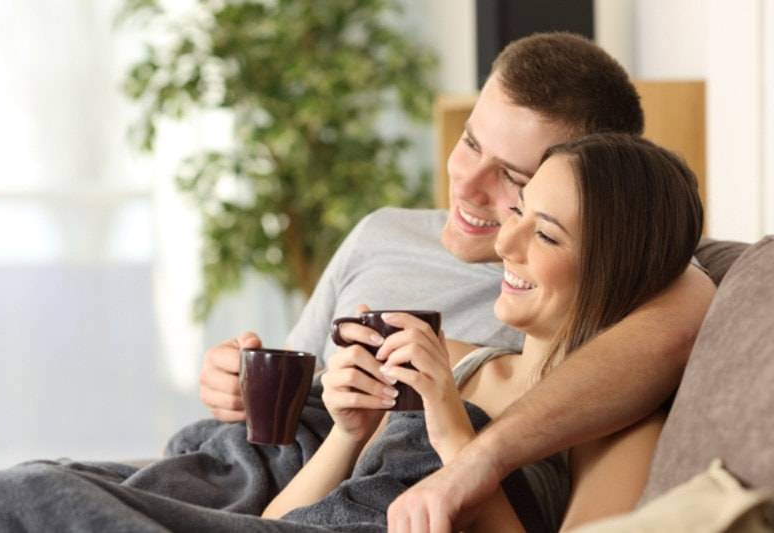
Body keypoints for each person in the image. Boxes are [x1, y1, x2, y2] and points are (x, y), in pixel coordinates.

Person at [195, 30, 714, 521]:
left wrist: (464, 448)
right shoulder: (387, 240)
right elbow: (292, 429)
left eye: (513, 177)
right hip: (258, 473)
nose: (467, 184)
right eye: (470, 143)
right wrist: (238, 388)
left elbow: (678, 324)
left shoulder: (631, 314)